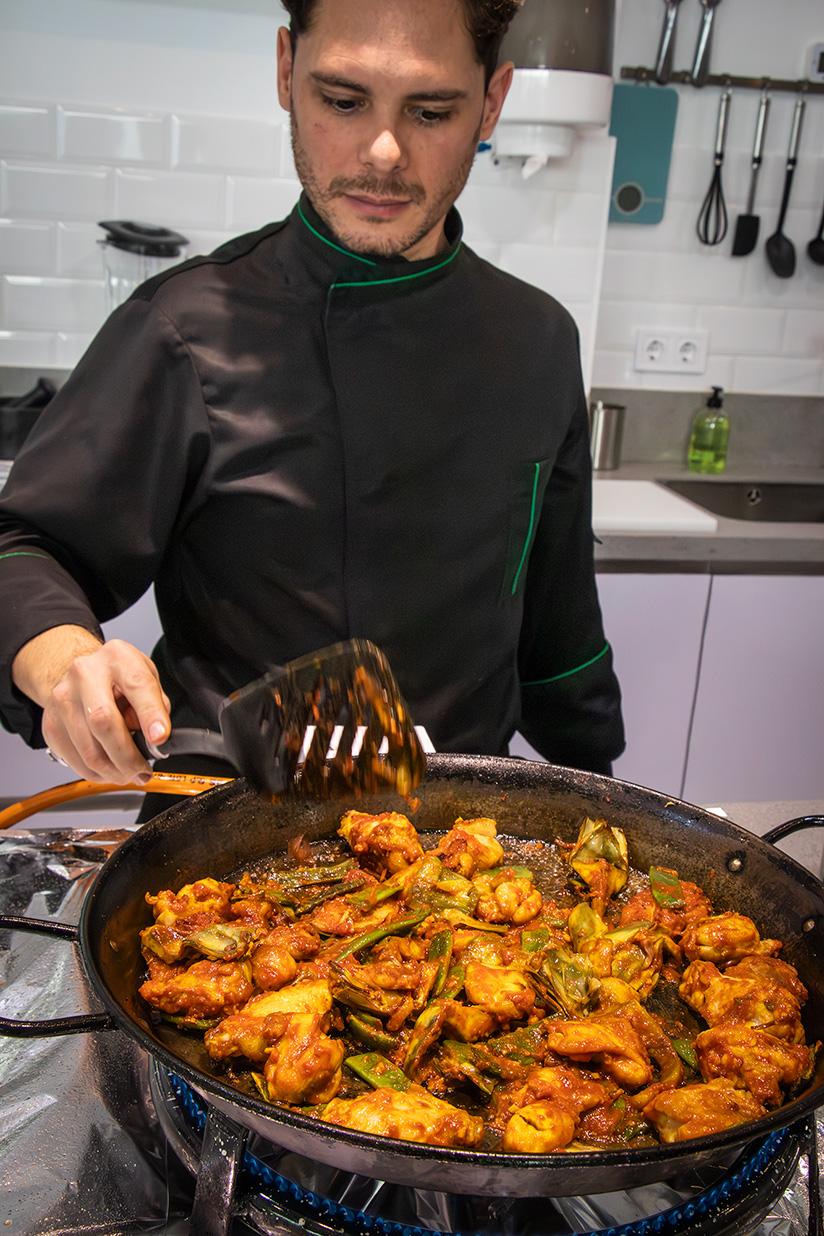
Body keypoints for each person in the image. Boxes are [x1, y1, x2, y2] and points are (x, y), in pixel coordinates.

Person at [0, 0, 624, 808]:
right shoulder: (185, 329)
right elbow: (25, 545)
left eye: (431, 111)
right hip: (227, 840)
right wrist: (65, 662)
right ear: (287, 71)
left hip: (462, 848)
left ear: (492, 103)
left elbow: (557, 634)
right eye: (343, 101)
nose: (384, 151)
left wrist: (611, 802)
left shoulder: (536, 338)